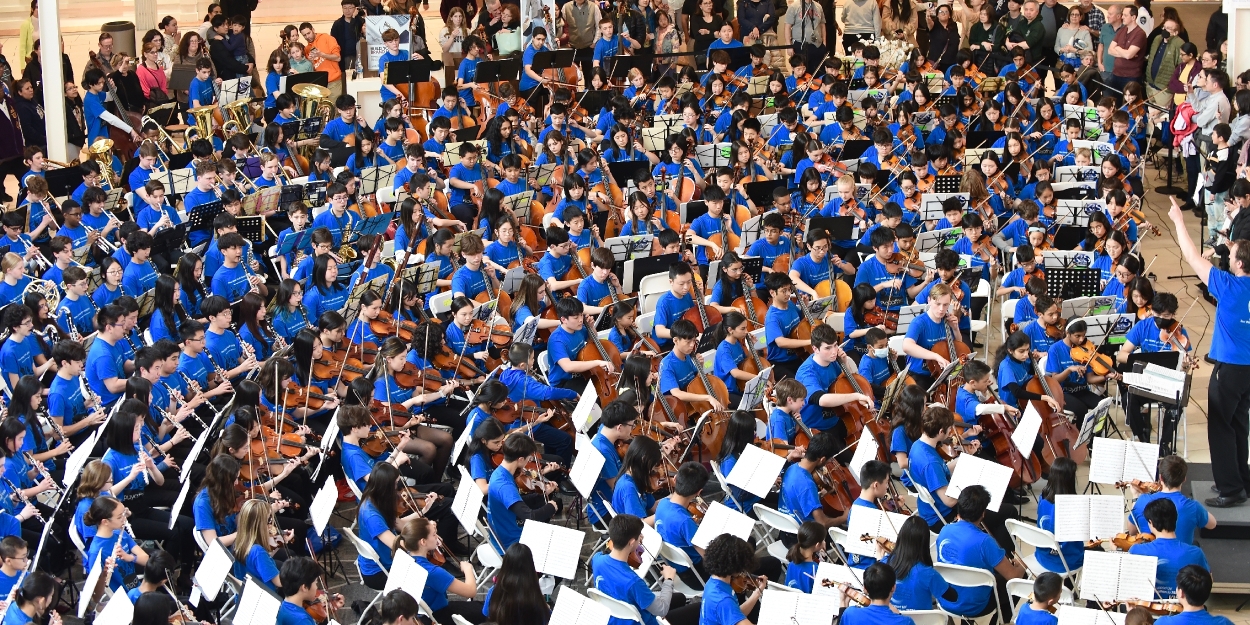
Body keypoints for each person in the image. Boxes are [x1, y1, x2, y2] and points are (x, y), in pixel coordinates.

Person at [592, 514, 700, 625]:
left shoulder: (597, 559)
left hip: (615, 618)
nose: (641, 537)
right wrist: (668, 579)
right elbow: (661, 609)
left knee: (680, 598)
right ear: (631, 542)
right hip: (643, 622)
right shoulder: (633, 582)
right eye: (640, 536)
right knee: (698, 608)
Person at [935, 485, 1025, 617]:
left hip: (946, 600)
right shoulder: (985, 542)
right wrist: (1021, 566)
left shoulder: (944, 530)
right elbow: (1013, 577)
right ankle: (1002, 619)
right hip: (976, 606)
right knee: (1022, 579)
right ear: (983, 513)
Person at [1129, 498, 1210, 595]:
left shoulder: (1136, 550)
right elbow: (1208, 582)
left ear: (1151, 523)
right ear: (1175, 519)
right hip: (1183, 606)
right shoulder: (1196, 553)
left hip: (1146, 608)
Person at [1129, 455, 1216, 544]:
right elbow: (1212, 524)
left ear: (1160, 478)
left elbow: (1132, 532)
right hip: (1181, 556)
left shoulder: (1142, 500)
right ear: (1184, 479)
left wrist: (1136, 497)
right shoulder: (1193, 506)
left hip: (1149, 555)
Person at [839, 563, 915, 625]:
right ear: (894, 587)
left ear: (865, 589)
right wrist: (898, 615)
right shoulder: (906, 622)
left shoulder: (850, 614)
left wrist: (843, 602)